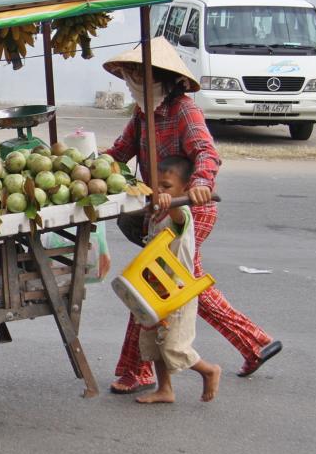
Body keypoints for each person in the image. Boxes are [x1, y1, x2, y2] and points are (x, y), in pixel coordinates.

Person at [103, 37, 281, 394]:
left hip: (189, 208)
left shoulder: (183, 109)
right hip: (162, 207)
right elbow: (119, 153)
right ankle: (255, 343)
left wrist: (200, 183)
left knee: (154, 284)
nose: (131, 81)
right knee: (181, 286)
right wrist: (89, 165)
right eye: (128, 75)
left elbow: (206, 151)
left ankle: (136, 370)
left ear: (159, 78)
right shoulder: (142, 114)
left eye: (137, 74)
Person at [136, 156, 221, 403]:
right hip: (155, 289)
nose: (160, 192)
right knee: (154, 343)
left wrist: (169, 201)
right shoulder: (155, 214)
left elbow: (177, 213)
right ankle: (165, 389)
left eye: (167, 186)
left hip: (178, 292)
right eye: (156, 186)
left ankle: (209, 370)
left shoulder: (180, 212)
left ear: (184, 189)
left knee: (174, 346)